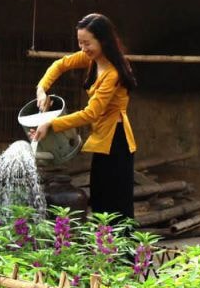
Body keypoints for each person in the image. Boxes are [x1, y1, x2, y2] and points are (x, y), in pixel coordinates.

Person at [32, 13, 138, 220]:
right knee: (99, 200)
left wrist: (51, 124)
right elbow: (60, 65)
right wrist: (42, 89)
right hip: (103, 139)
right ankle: (105, 250)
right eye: (80, 43)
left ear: (103, 40)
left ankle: (126, 252)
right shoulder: (93, 59)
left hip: (116, 141)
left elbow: (91, 113)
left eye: (87, 43)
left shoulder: (113, 74)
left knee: (116, 205)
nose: (83, 48)